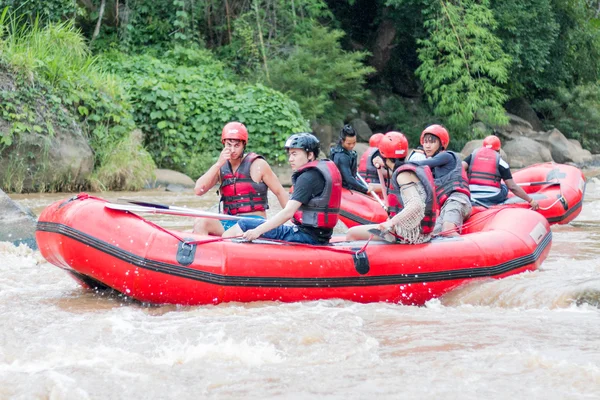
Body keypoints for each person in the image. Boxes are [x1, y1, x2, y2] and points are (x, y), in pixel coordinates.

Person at [222, 133, 342, 245]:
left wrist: (257, 231)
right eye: (290, 154)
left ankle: (225, 251)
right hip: (319, 235)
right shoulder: (317, 173)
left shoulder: (307, 178)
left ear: (310, 155)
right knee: (248, 224)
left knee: (244, 224)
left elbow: (288, 212)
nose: (290, 159)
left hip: (307, 236)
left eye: (295, 154)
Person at [193, 122, 288, 235]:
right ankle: (204, 251)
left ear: (244, 145)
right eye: (229, 145)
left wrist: (293, 221)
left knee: (229, 232)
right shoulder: (220, 167)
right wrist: (218, 164)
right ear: (223, 144)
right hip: (229, 222)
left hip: (254, 223)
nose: (232, 150)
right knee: (200, 222)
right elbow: (198, 190)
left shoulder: (258, 165)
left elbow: (280, 192)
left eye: (237, 145)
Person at [346, 131, 437, 244]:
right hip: (419, 230)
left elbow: (415, 204)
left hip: (409, 233)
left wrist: (391, 222)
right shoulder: (407, 169)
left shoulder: (403, 175)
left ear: (383, 153)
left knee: (351, 233)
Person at [408, 124, 471, 237]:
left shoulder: (447, 156)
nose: (427, 146)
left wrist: (396, 164)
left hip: (457, 200)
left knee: (447, 231)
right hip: (445, 207)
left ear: (441, 144)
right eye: (425, 142)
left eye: (432, 142)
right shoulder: (433, 170)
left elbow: (422, 164)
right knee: (430, 235)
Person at [462, 135, 539, 209]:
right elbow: (512, 187)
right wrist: (530, 200)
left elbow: (460, 167)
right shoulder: (501, 163)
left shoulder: (472, 156)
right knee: (504, 187)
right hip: (491, 197)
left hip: (471, 196)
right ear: (498, 150)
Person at [330, 124, 369, 194]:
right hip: (345, 186)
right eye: (349, 143)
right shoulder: (341, 156)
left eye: (354, 143)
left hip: (349, 183)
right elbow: (349, 179)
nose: (352, 146)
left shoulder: (347, 151)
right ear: (342, 141)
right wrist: (365, 189)